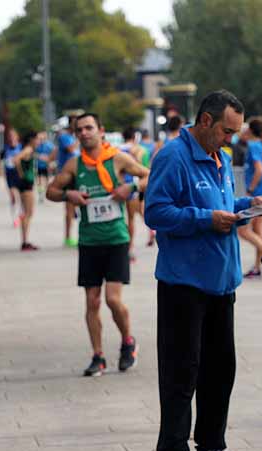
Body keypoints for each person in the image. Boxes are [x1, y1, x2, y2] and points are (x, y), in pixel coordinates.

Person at [144, 90, 262, 451]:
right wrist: (205, 219)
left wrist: (246, 203)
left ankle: (213, 449)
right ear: (205, 121)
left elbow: (220, 201)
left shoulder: (221, 157)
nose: (230, 139)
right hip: (184, 282)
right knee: (182, 368)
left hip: (221, 280)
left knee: (221, 369)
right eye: (226, 131)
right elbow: (156, 211)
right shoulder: (172, 156)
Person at [47, 112, 149, 375]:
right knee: (92, 301)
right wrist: (68, 194)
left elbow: (151, 176)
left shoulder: (117, 159)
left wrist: (132, 188)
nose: (84, 133)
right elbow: (51, 191)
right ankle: (98, 356)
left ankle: (128, 341)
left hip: (116, 240)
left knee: (113, 300)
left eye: (89, 128)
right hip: (90, 242)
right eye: (79, 129)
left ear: (101, 131)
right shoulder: (74, 165)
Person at [240, 116, 262, 279]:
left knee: (243, 230)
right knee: (258, 230)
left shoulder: (253, 146)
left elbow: (259, 169)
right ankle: (257, 267)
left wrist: (250, 190)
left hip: (257, 193)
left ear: (251, 130)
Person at [148, 115, 184, 246]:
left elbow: (153, 159)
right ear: (180, 125)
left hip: (164, 180)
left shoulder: (162, 142)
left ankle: (154, 231)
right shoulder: (181, 141)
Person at [120, 127, 149, 263]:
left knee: (120, 219)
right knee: (131, 219)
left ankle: (122, 247)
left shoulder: (117, 150)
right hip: (132, 187)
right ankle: (130, 248)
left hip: (118, 187)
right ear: (134, 136)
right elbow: (144, 170)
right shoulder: (140, 150)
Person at [13, 131, 40, 251]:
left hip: (26, 182)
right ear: (31, 140)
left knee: (27, 212)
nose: (39, 141)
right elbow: (16, 159)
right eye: (37, 139)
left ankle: (25, 241)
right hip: (26, 183)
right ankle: (24, 241)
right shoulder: (28, 149)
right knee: (28, 213)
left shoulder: (30, 150)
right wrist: (21, 173)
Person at [53, 125, 78, 244]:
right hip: (67, 176)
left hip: (77, 174)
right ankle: (68, 237)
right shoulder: (65, 137)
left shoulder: (72, 137)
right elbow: (72, 149)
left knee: (75, 208)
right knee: (70, 207)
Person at [35, 131, 54, 195]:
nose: (41, 139)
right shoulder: (37, 145)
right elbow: (34, 153)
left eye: (43, 137)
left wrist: (49, 159)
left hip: (47, 165)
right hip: (39, 165)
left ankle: (47, 191)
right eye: (40, 138)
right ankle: (40, 193)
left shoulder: (50, 145)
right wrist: (39, 156)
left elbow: (54, 153)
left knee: (47, 179)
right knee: (39, 180)